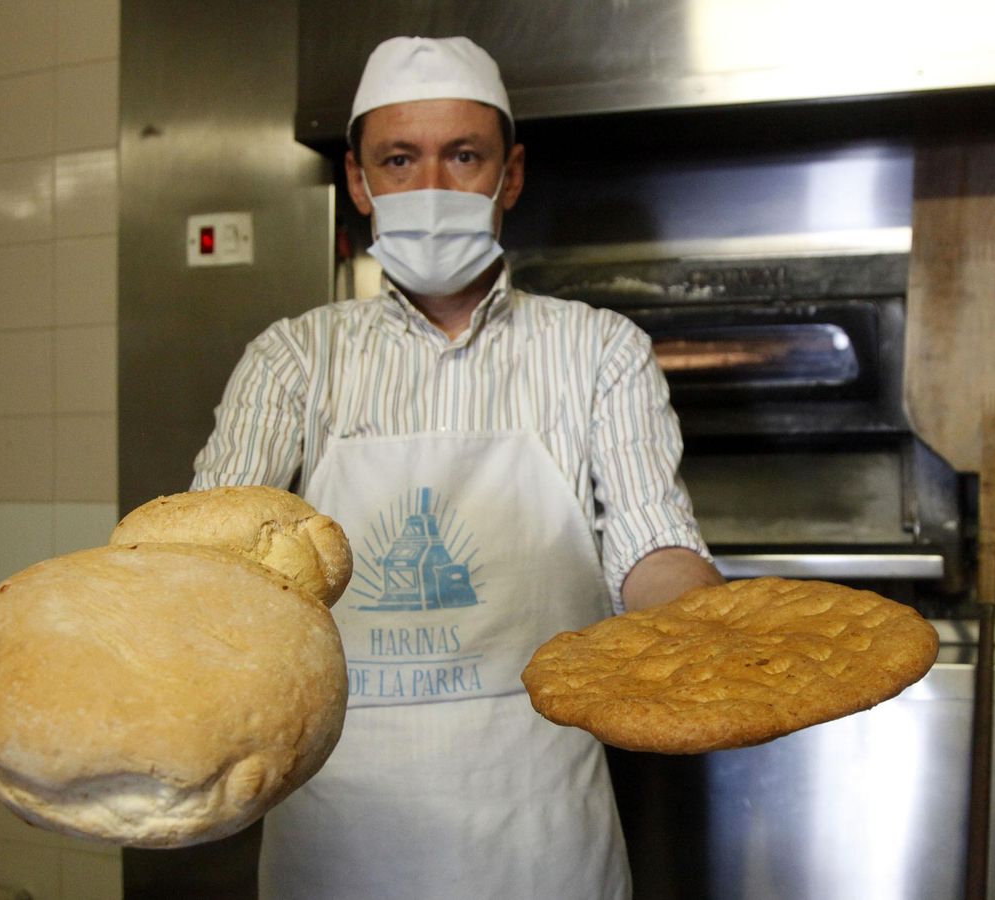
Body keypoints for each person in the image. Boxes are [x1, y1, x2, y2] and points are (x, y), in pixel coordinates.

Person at [190, 35, 725, 899]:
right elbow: (210, 563)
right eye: (399, 159)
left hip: (539, 822)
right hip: (339, 825)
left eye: (462, 155)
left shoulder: (599, 351)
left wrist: (717, 637)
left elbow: (650, 546)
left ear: (509, 175)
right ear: (360, 182)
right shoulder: (293, 360)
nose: (431, 187)